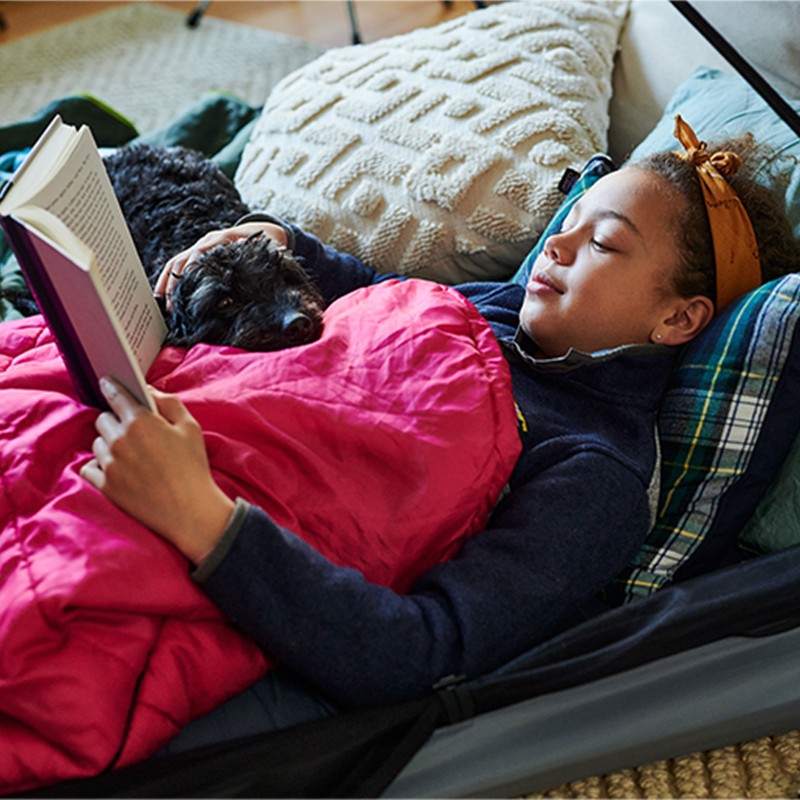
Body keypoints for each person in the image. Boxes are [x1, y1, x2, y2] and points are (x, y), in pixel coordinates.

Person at [81, 117, 800, 748]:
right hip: (197, 430)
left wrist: (205, 521)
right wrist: (279, 242)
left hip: (218, 531)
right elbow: (383, 298)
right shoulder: (501, 305)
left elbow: (424, 650)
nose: (557, 245)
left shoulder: (597, 471)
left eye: (604, 245)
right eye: (571, 220)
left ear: (678, 318)